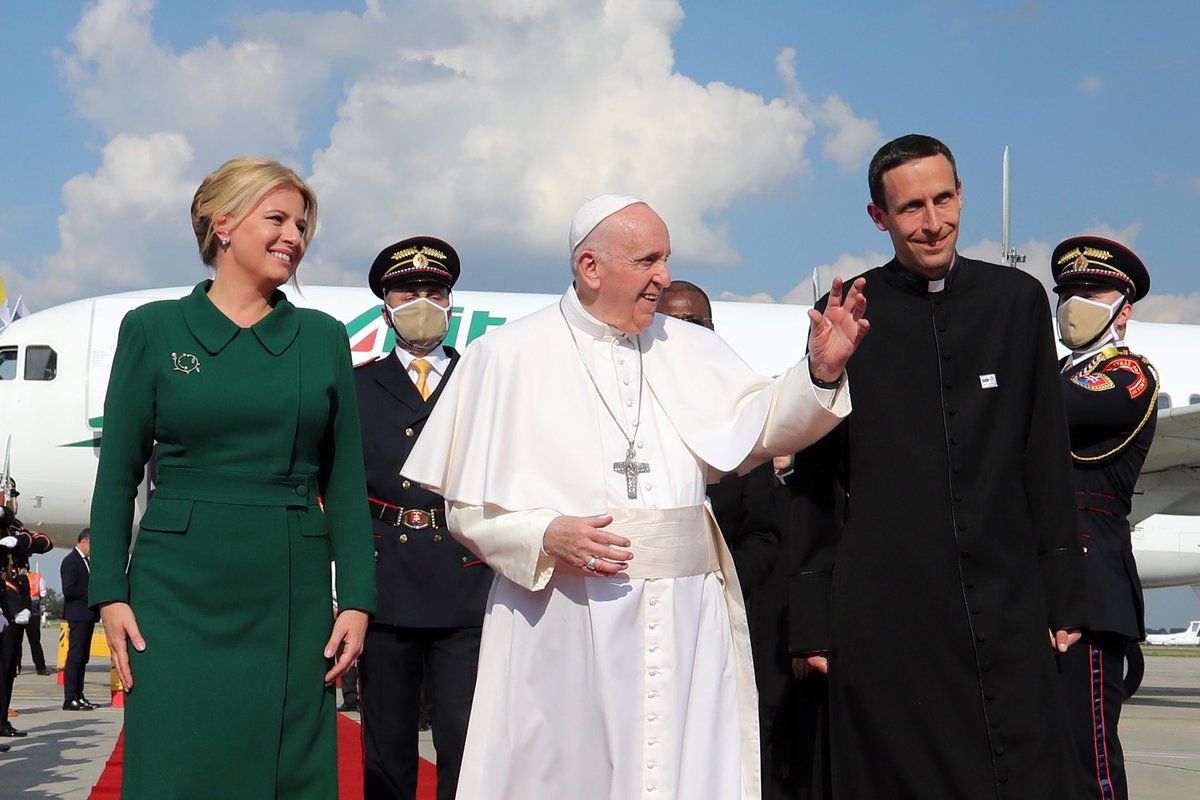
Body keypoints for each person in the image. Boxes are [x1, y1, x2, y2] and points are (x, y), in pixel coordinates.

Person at [403, 194, 868, 799]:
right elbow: (468, 510)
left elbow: (761, 426)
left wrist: (820, 372)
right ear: (590, 267)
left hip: (684, 618)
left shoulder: (689, 346)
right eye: (648, 261)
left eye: (666, 259)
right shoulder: (508, 354)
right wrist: (545, 534)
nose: (664, 278)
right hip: (565, 614)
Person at [788, 134, 1088, 799]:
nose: (932, 222)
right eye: (910, 208)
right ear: (879, 217)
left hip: (1006, 598)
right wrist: (810, 615)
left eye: (944, 199)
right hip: (889, 610)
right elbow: (818, 475)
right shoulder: (848, 315)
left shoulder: (1017, 302)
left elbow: (1044, 452)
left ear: (961, 195)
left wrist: (1065, 586)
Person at [90, 157, 376, 799]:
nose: (294, 237)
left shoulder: (323, 337)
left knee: (288, 768)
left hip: (291, 586)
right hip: (174, 591)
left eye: (301, 226)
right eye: (277, 219)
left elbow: (345, 481)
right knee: (176, 765)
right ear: (223, 225)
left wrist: (357, 597)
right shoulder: (152, 329)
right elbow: (117, 473)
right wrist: (109, 591)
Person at [660, 280, 823, 799]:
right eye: (671, 322)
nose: (683, 333)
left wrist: (716, 584)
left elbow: (763, 532)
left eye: (695, 323)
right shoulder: (619, 409)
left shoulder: (735, 414)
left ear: (713, 330)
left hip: (724, 622)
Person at [355, 237, 491, 800]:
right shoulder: (357, 385)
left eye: (434, 292)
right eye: (408, 292)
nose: (422, 303)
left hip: (467, 577)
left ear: (451, 304)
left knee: (466, 741)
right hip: (385, 579)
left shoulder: (482, 381)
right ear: (386, 307)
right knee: (386, 747)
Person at [1051, 236, 1157, 800]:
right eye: (1066, 292)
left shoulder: (1129, 375)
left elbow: (1067, 404)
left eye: (1090, 293)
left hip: (1088, 587)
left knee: (1088, 760)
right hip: (1034, 583)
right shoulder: (1050, 373)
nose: (1074, 305)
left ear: (1123, 309)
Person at [0, 478, 53, 738]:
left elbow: (45, 542)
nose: (11, 501)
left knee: (8, 666)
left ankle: (1, 720)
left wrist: (19, 540)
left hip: (16, 607)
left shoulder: (14, 527)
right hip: (4, 602)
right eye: (7, 495)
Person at [61, 528, 98, 710]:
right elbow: (69, 590)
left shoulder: (85, 562)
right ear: (83, 542)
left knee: (83, 657)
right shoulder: (71, 561)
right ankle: (70, 698)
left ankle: (79, 694)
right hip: (78, 615)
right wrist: (92, 592)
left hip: (87, 615)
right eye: (92, 544)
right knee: (75, 657)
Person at [22, 564, 50, 676]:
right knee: (34, 641)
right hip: (33, 610)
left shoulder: (13, 576)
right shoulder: (37, 577)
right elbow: (42, 594)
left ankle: (16, 667)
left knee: (18, 642)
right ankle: (41, 668)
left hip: (20, 609)